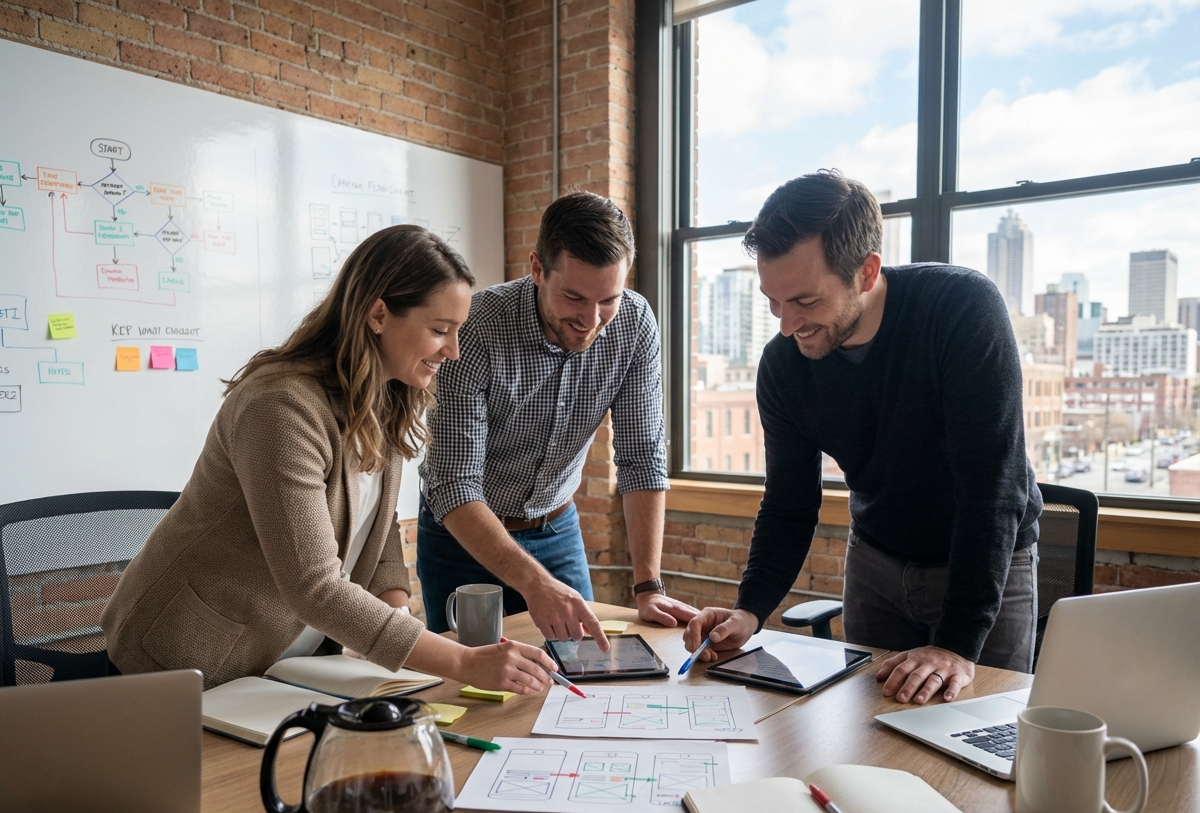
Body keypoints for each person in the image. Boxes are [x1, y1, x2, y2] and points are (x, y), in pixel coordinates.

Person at [102, 226, 557, 694]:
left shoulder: (384, 396)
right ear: (378, 314)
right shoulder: (281, 407)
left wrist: (398, 621)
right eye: (440, 331)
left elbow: (378, 531)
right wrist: (461, 661)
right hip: (185, 659)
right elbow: (314, 586)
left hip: (287, 664)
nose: (454, 351)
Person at [684, 170, 1042, 704]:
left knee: (977, 728)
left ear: (867, 272)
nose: (787, 325)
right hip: (876, 563)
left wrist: (956, 644)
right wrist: (750, 609)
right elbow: (788, 503)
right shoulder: (784, 365)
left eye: (805, 301)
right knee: (868, 733)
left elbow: (992, 487)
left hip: (984, 565)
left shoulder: (961, 309)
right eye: (773, 301)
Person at [417, 191, 698, 647]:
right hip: (463, 535)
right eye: (573, 297)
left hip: (556, 527)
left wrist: (648, 586)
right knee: (472, 677)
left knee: (581, 669)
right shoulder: (477, 328)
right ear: (537, 269)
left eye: (608, 299)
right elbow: (454, 483)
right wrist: (534, 583)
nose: (591, 319)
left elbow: (642, 456)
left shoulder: (633, 324)